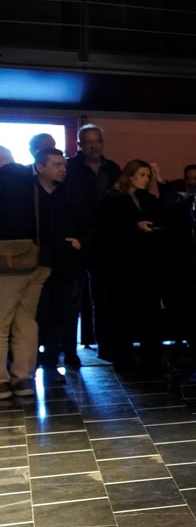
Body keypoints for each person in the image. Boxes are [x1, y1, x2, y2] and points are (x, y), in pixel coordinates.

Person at [93, 160, 167, 373]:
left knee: (149, 314)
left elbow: (167, 209)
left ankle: (151, 360)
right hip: (122, 265)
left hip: (146, 265)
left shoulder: (147, 199)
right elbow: (106, 230)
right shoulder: (113, 200)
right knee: (123, 314)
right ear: (130, 175)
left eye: (148, 176)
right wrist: (134, 226)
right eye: (142, 175)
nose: (146, 179)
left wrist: (160, 181)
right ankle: (124, 359)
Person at [30, 149, 90, 373]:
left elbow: (87, 221)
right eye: (56, 165)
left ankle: (51, 361)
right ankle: (33, 358)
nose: (63, 169)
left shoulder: (70, 194)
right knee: (38, 314)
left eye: (63, 164)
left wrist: (81, 242)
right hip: (37, 263)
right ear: (40, 168)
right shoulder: (29, 194)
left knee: (61, 314)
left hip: (65, 263)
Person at [0, 155, 50, 398]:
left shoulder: (3, 183)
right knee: (26, 321)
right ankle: (24, 379)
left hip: (6, 261)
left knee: (1, 323)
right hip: (37, 258)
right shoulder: (35, 180)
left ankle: (1, 382)